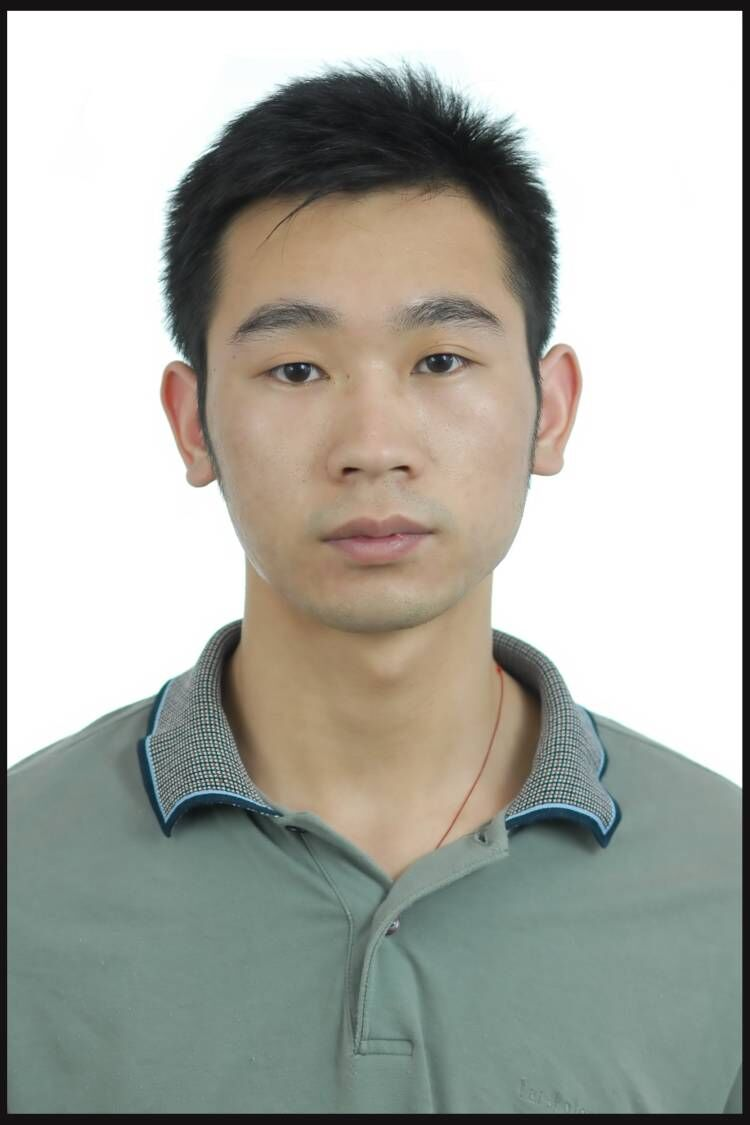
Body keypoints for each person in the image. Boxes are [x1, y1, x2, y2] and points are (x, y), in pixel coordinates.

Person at [8, 59, 740, 1115]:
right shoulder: (24, 873)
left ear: (549, 409)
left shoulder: (725, 883)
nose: (374, 444)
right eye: (296, 369)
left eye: (441, 361)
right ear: (191, 422)